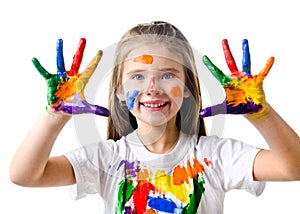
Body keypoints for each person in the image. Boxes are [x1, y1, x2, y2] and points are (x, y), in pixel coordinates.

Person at [10, 21, 300, 213]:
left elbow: (294, 169)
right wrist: (53, 116)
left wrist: (262, 115)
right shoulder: (108, 158)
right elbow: (25, 175)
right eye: (137, 76)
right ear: (120, 91)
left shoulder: (215, 155)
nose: (152, 88)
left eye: (167, 75)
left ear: (187, 87)